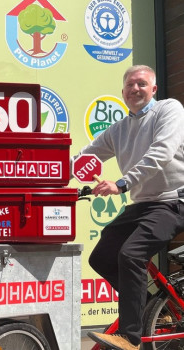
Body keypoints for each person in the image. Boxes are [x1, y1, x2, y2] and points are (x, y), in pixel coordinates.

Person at [78, 65, 184, 350]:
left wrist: (122, 184)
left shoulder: (168, 110)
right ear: (123, 91)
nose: (135, 89)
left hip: (174, 200)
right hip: (144, 204)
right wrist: (48, 175)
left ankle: (129, 337)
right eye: (129, 85)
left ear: (154, 89)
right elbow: (84, 157)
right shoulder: (119, 129)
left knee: (132, 254)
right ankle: (152, 309)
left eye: (141, 84)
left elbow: (161, 152)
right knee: (101, 257)